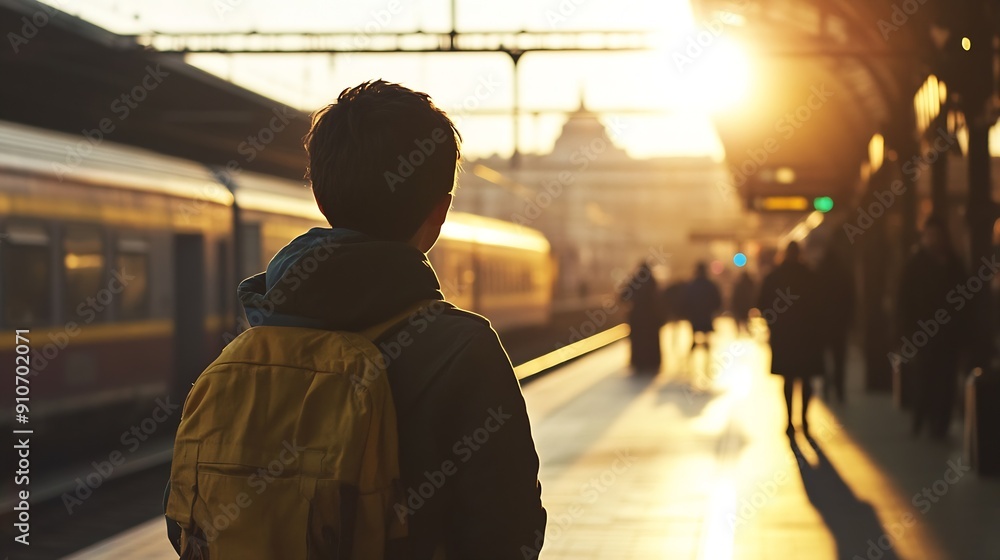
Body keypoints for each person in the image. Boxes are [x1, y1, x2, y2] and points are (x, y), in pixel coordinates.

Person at [167, 80, 546, 558]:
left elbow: (186, 519)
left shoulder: (251, 346)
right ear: (441, 209)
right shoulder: (463, 351)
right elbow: (510, 534)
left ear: (321, 200)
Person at [896, 216, 969, 439]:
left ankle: (940, 424)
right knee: (925, 376)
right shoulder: (916, 264)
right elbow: (904, 301)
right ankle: (923, 417)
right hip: (923, 333)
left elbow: (966, 301)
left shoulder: (953, 264)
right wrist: (907, 332)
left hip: (947, 335)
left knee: (946, 380)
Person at [758, 241, 823, 435]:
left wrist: (773, 323)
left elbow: (762, 303)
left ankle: (788, 421)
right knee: (806, 378)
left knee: (788, 379)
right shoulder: (810, 276)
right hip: (807, 336)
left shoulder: (774, 276)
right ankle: (804, 418)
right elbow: (821, 305)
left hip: (784, 336)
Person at [816, 246, 855, 403]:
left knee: (824, 357)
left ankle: (826, 386)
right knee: (840, 358)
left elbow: (815, 299)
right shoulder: (844, 273)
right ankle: (840, 390)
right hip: (840, 324)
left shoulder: (819, 273)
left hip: (823, 323)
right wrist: (850, 320)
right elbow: (851, 298)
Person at [621, 260, 662, 373]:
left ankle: (639, 362)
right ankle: (652, 362)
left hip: (637, 317)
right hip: (651, 317)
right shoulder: (652, 281)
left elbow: (623, 296)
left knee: (638, 342)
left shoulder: (634, 281)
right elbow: (659, 299)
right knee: (651, 341)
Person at [681, 262, 722, 352]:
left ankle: (694, 347)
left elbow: (686, 300)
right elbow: (717, 300)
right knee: (706, 333)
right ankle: (706, 348)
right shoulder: (710, 285)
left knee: (695, 332)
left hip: (695, 315)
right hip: (706, 315)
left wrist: (687, 312)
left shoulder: (692, 285)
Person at [730, 270, 756, 336]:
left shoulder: (738, 285)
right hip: (747, 306)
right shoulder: (751, 284)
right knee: (747, 319)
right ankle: (748, 331)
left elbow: (735, 297)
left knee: (739, 319)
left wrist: (734, 306)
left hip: (739, 306)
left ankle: (739, 331)